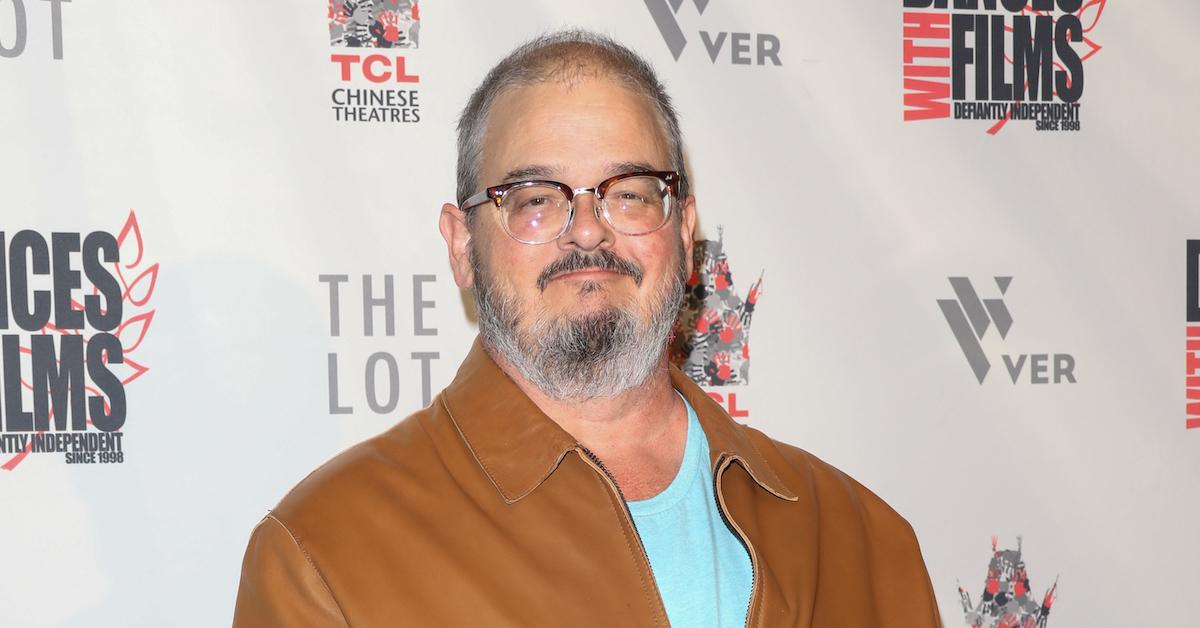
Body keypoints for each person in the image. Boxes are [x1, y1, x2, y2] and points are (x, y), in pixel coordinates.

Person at [233, 29, 942, 627]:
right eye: (536, 200)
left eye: (630, 194)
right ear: (461, 246)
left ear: (685, 232)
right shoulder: (327, 556)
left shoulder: (860, 540)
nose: (589, 233)